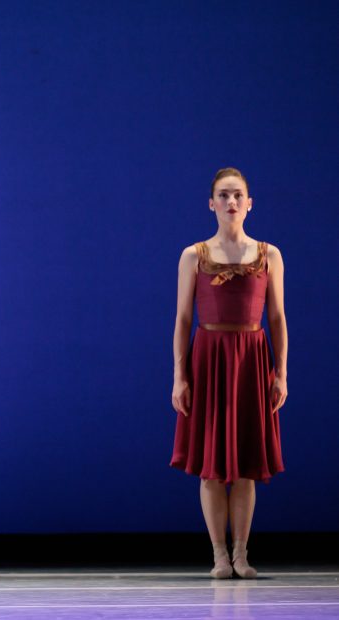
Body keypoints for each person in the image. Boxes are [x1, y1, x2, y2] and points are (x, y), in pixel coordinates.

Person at [170, 168, 287, 579]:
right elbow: (183, 319)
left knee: (245, 465)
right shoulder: (194, 255)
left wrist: (280, 373)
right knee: (212, 465)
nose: (232, 202)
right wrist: (179, 376)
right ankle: (219, 555)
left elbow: (277, 318)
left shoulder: (269, 254)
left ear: (249, 203)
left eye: (238, 195)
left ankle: (241, 553)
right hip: (210, 359)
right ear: (212, 203)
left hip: (252, 360)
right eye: (224, 195)